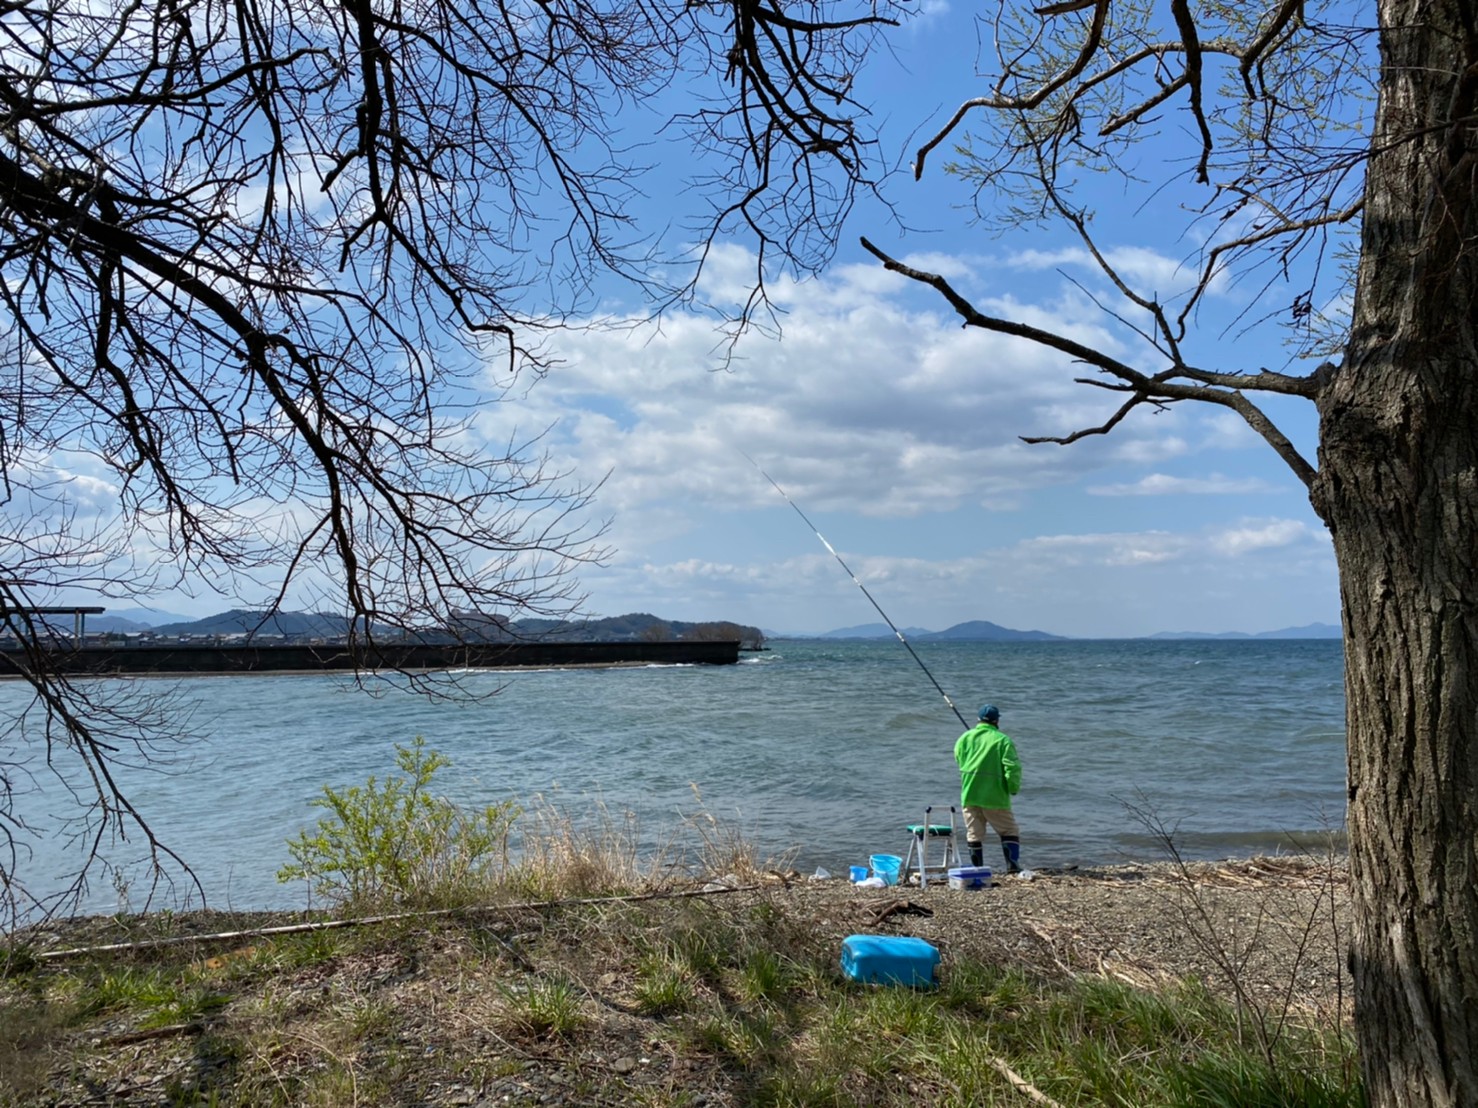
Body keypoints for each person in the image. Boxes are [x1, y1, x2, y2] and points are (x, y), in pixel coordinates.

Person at [954, 703, 1023, 874]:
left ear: (978, 719)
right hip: (995, 796)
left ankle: (977, 869)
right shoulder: (1002, 740)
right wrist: (1013, 788)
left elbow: (958, 758)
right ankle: (1012, 866)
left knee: (974, 833)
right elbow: (1012, 768)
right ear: (997, 720)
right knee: (1009, 830)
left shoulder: (965, 738)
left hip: (970, 793)